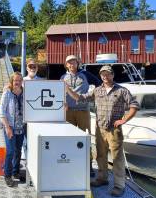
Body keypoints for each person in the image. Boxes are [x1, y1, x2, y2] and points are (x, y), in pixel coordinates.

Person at [66, 65, 139, 197]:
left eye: (108, 74)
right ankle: (102, 178)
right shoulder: (97, 90)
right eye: (103, 74)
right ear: (100, 76)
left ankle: (119, 185)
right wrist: (67, 89)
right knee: (100, 155)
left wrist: (124, 120)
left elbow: (134, 106)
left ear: (112, 75)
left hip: (114, 130)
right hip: (99, 129)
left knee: (117, 158)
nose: (105, 76)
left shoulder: (122, 90)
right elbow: (80, 98)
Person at [60, 55, 95, 177]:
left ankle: (89, 164)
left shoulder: (85, 75)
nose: (71, 65)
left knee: (86, 138)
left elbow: (99, 84)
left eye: (73, 62)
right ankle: (72, 163)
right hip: (68, 112)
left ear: (77, 63)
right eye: (69, 63)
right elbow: (59, 93)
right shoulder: (63, 77)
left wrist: (90, 95)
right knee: (69, 139)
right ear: (66, 65)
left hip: (83, 111)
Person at [0, 72, 25, 187]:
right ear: (12, 81)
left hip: (21, 127)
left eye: (19, 80)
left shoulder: (25, 93)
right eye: (15, 80)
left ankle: (16, 172)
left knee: (18, 150)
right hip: (9, 126)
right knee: (10, 151)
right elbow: (1, 113)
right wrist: (7, 128)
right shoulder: (7, 93)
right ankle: (7, 175)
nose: (17, 82)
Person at [22, 59, 41, 161]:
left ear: (37, 68)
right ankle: (28, 161)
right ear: (27, 68)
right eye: (30, 67)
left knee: (36, 141)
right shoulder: (21, 81)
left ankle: (35, 161)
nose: (32, 68)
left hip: (38, 117)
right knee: (25, 141)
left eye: (34, 67)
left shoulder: (42, 81)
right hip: (24, 116)